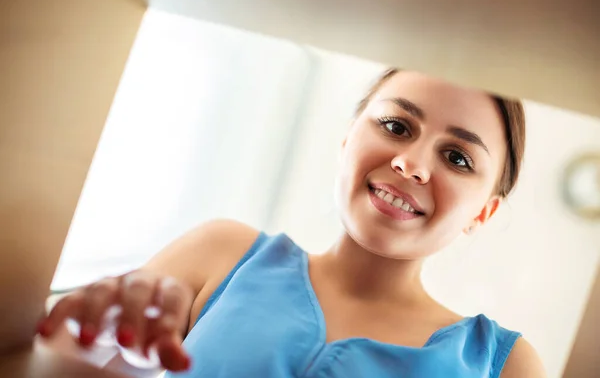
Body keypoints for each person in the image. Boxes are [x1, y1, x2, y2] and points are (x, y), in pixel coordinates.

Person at [37, 69, 546, 377]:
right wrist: (96, 341)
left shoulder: (504, 366)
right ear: (348, 138)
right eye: (395, 125)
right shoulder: (221, 253)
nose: (411, 164)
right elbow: (50, 356)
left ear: (484, 211)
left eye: (457, 158)